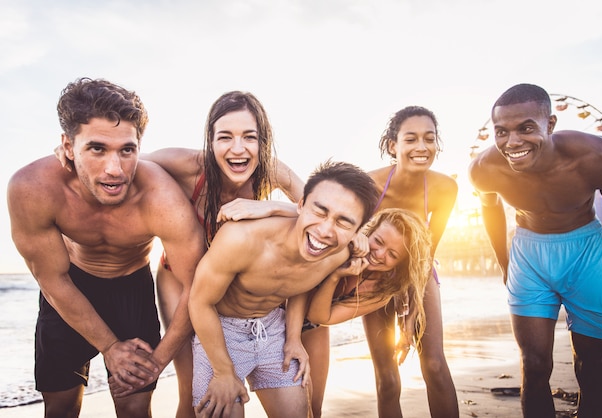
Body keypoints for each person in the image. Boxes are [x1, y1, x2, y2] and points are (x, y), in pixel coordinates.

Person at [7, 78, 206, 418]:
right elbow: (53, 280)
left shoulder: (161, 198)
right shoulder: (33, 188)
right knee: (61, 408)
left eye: (127, 150)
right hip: (70, 287)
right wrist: (110, 347)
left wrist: (158, 361)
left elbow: (197, 287)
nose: (115, 170)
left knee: (134, 408)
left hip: (133, 289)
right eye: (97, 148)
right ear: (68, 147)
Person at [141, 91, 304, 417]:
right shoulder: (188, 166)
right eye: (225, 137)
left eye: (250, 137)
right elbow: (124, 160)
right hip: (180, 279)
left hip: (232, 290)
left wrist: (265, 206)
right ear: (210, 141)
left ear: (263, 141)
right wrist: (69, 153)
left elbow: (315, 210)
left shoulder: (271, 171)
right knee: (190, 393)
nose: (238, 148)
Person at [468, 83, 602, 418]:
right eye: (501, 131)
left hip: (587, 252)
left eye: (526, 128)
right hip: (529, 255)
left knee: (593, 367)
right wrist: (504, 262)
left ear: (550, 125)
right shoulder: (484, 169)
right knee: (535, 364)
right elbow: (489, 207)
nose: (513, 142)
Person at [188, 161, 379, 418]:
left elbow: (298, 283)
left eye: (344, 223)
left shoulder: (336, 255)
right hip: (220, 331)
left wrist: (293, 339)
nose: (324, 231)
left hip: (273, 329)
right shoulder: (241, 238)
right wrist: (223, 372)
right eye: (319, 211)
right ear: (300, 205)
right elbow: (200, 303)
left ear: (357, 232)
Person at [360, 106, 459, 418]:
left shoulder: (445, 188)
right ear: (393, 145)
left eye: (429, 139)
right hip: (372, 273)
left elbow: (427, 251)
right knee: (387, 377)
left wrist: (413, 304)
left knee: (434, 364)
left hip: (418, 270)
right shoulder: (367, 186)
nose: (421, 147)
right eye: (411, 139)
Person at [304, 208, 432, 409]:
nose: (379, 254)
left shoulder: (379, 292)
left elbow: (318, 316)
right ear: (369, 232)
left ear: (400, 265)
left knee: (311, 407)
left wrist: (336, 276)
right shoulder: (345, 242)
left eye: (392, 254)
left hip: (311, 325)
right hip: (279, 309)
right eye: (378, 242)